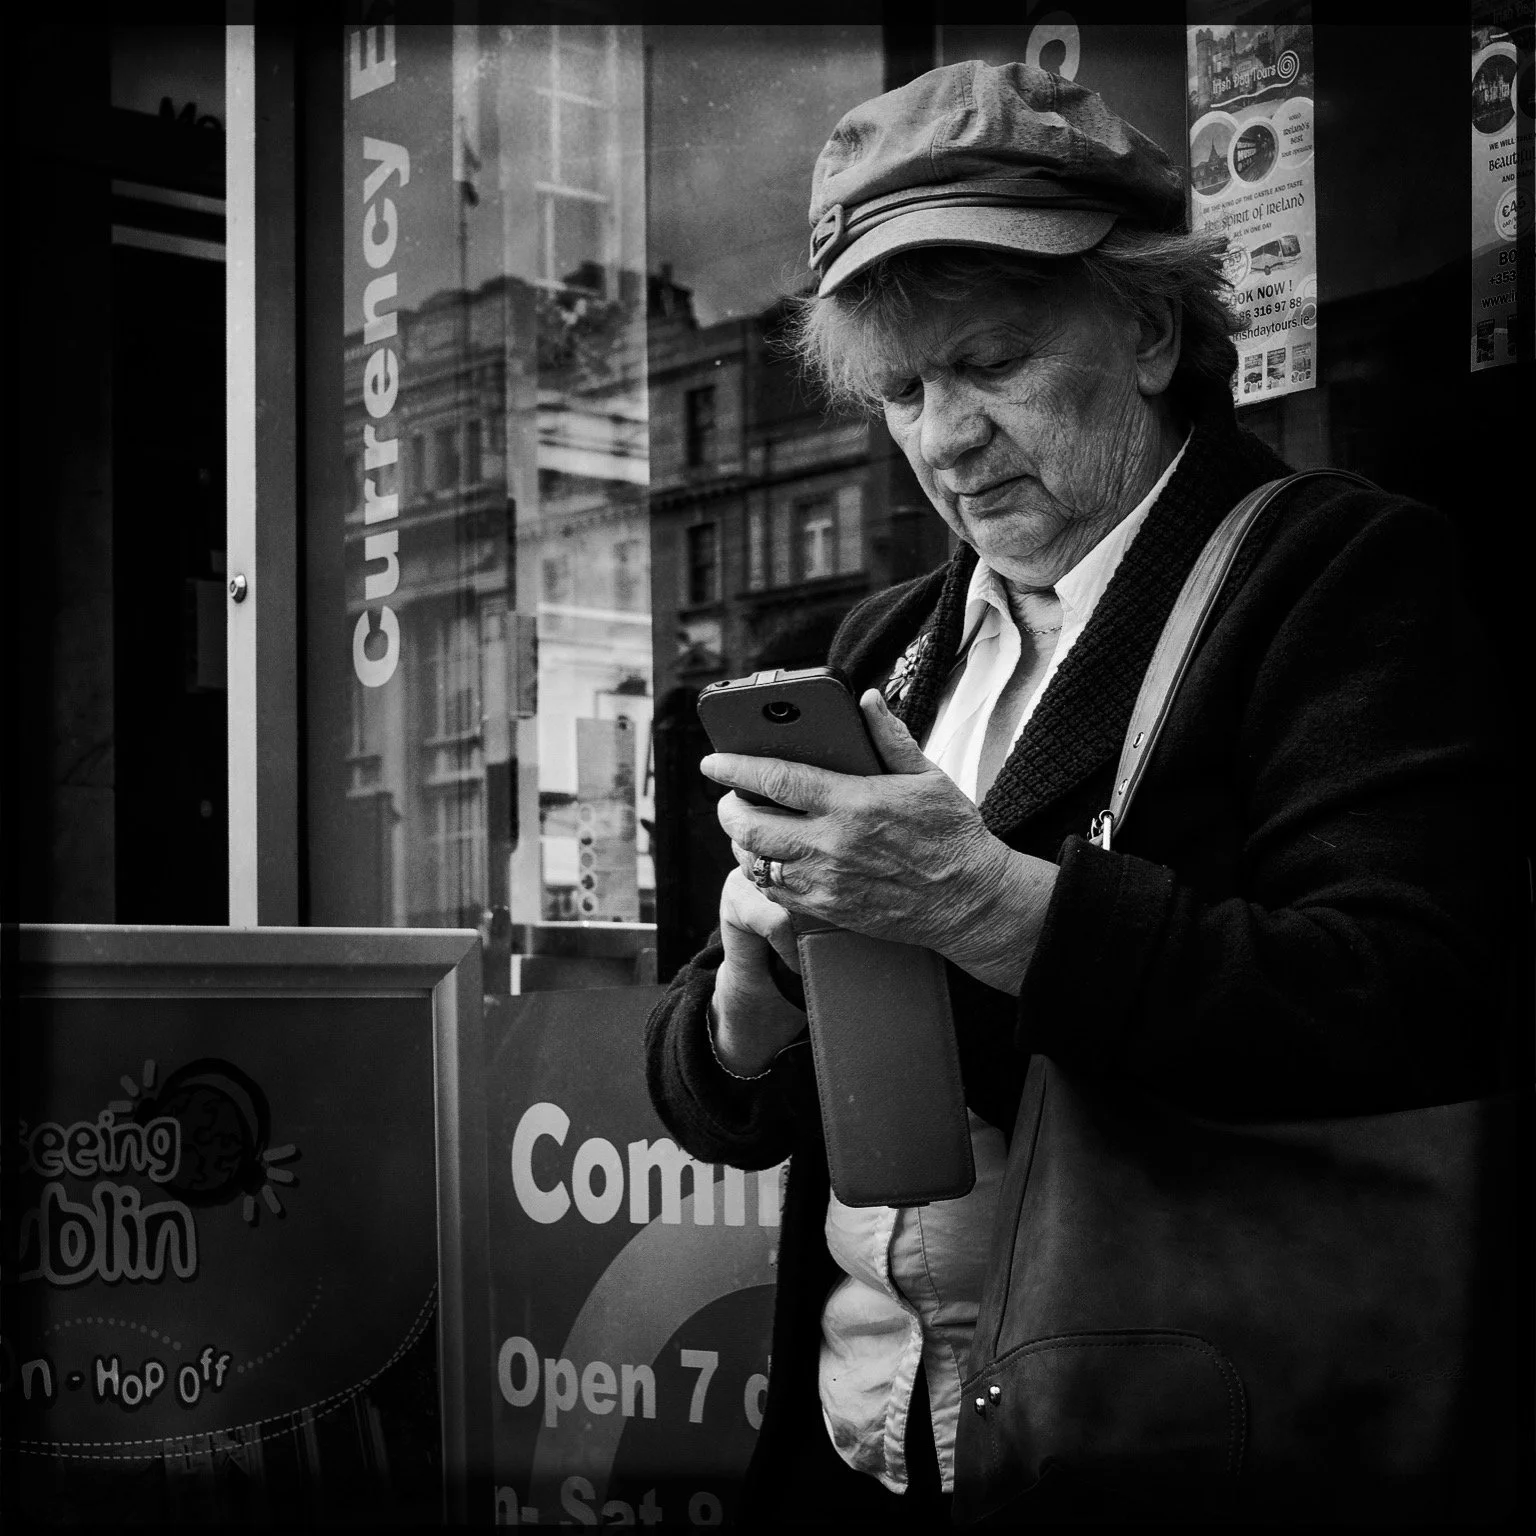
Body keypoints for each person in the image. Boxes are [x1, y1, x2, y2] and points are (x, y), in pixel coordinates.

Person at [644, 60, 1515, 1526]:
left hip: (1175, 1451)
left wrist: (994, 908)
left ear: (1154, 327)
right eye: (905, 391)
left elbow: (1416, 998)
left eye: (989, 364)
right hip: (865, 1447)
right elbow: (727, 1108)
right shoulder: (884, 650)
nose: (944, 438)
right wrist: (748, 1000)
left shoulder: (1336, 576)